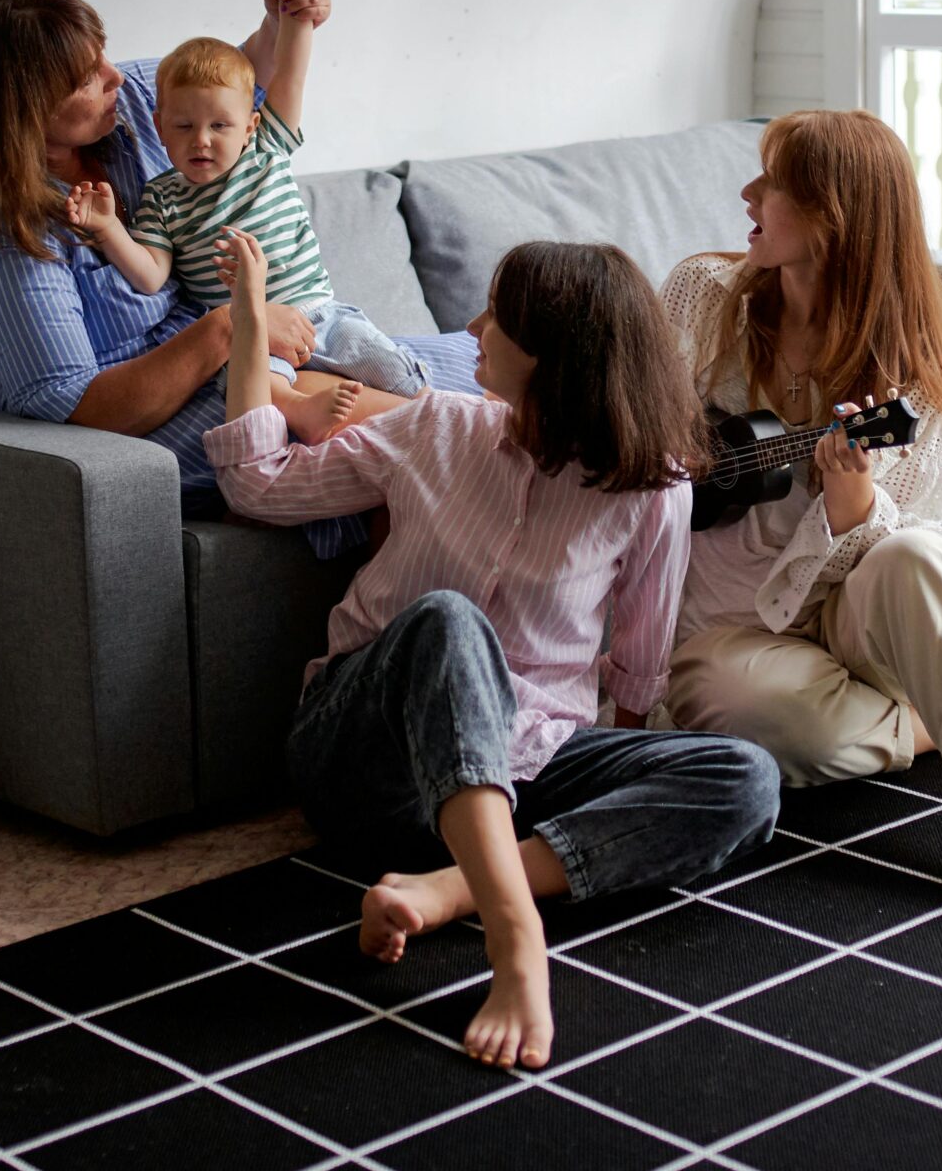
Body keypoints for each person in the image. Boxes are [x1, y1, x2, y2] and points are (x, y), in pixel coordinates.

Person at [207, 232, 779, 1069]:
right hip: (365, 758)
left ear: (557, 355)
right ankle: (516, 940)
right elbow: (257, 484)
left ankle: (449, 890)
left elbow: (640, 664)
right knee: (448, 620)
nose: (472, 327)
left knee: (747, 779)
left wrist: (629, 770)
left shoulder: (653, 485)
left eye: (497, 317)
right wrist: (250, 323)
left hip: (528, 764)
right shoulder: (434, 424)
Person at [658, 108, 942, 926]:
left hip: (856, 617)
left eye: (773, 183)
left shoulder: (914, 381)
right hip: (730, 626)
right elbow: (636, 418)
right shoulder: (701, 294)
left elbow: (900, 550)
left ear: (836, 216)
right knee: (758, 714)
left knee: (922, 555)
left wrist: (851, 498)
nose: (746, 192)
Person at [0, 0, 419, 537]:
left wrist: (283, 18)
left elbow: (234, 81)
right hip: (142, 423)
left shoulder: (134, 103)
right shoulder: (0, 236)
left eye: (103, 54)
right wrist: (231, 327)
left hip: (245, 351)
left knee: (409, 417)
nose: (113, 74)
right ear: (23, 110)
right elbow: (75, 407)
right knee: (411, 433)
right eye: (87, 77)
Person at [65, 0, 425, 444]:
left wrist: (296, 13)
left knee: (406, 380)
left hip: (323, 314)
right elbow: (150, 275)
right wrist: (107, 229)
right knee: (248, 380)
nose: (202, 141)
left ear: (250, 125)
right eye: (184, 127)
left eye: (220, 126)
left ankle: (450, 418)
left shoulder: (267, 148)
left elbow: (291, 74)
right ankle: (301, 411)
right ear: (158, 128)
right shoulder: (162, 198)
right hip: (252, 337)